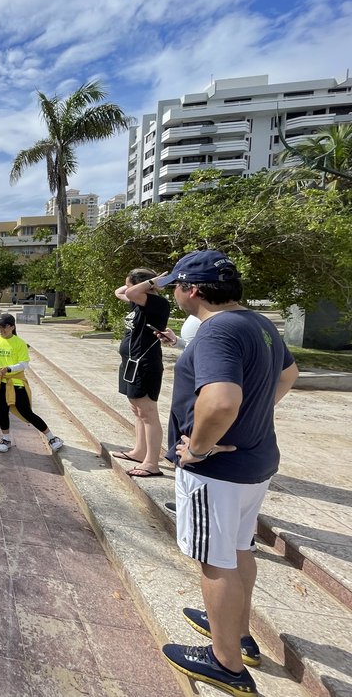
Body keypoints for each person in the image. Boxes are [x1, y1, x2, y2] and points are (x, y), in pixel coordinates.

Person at [152, 251, 298, 696]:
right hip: (254, 463)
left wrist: (196, 448)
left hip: (217, 471)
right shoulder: (258, 324)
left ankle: (225, 662)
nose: (174, 291)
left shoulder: (216, 332)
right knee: (238, 548)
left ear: (191, 289)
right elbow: (289, 374)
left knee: (215, 560)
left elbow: (219, 402)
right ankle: (238, 632)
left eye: (176, 283)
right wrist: (254, 415)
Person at [112, 268, 170, 478]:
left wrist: (153, 282)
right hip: (131, 362)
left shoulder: (156, 303)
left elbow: (128, 292)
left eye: (131, 285)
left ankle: (152, 462)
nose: (128, 289)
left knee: (148, 413)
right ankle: (139, 451)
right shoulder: (138, 301)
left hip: (145, 364)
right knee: (137, 410)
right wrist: (143, 283)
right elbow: (120, 292)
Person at [0, 313, 64, 453]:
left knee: (26, 411)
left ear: (12, 327)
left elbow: (23, 364)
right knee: (2, 411)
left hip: (16, 382)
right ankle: (6, 438)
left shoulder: (19, 343)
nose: (0, 329)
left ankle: (51, 437)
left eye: (3, 327)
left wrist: (8, 369)